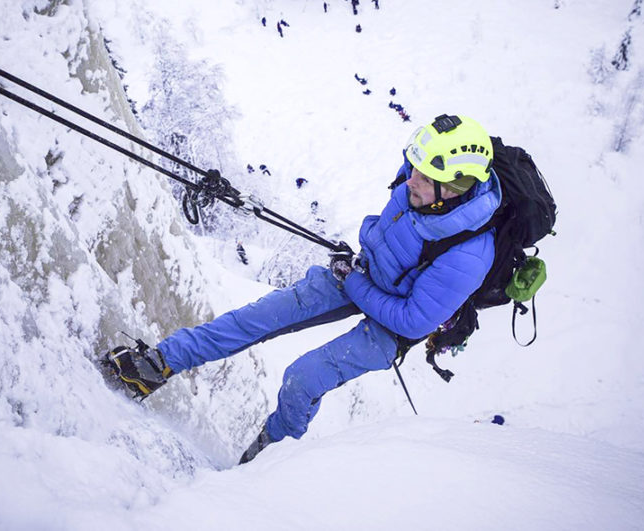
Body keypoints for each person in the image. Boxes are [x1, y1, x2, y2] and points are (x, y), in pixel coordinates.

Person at [102, 115, 501, 464]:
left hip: (391, 327)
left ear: (453, 189)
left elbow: (412, 321)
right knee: (256, 317)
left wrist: (354, 280)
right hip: (363, 273)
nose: (409, 177)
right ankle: (156, 365)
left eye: (423, 177)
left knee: (303, 380)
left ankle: (261, 474)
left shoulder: (467, 256)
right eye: (412, 165)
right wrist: (358, 268)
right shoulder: (426, 184)